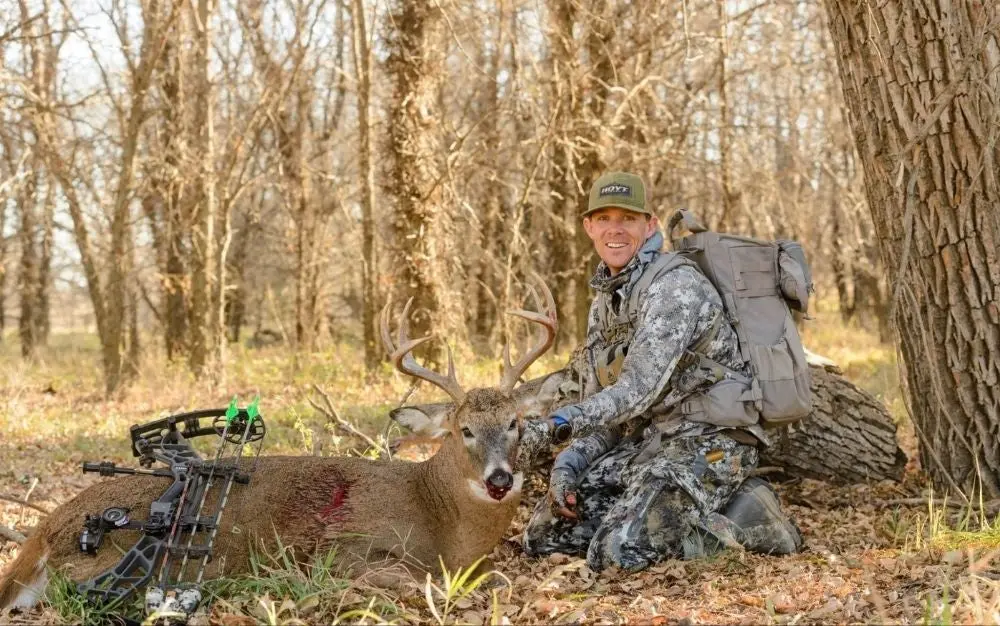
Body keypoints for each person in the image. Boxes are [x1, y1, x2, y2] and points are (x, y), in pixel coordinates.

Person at [517, 171, 802, 572]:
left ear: (648, 225)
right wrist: (568, 465)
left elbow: (635, 391)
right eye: (603, 219)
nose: (614, 230)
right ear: (588, 227)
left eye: (627, 219)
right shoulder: (606, 303)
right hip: (653, 443)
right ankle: (656, 510)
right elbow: (612, 416)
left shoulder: (674, 286)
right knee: (545, 539)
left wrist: (559, 423)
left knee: (616, 554)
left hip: (712, 443)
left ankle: (749, 520)